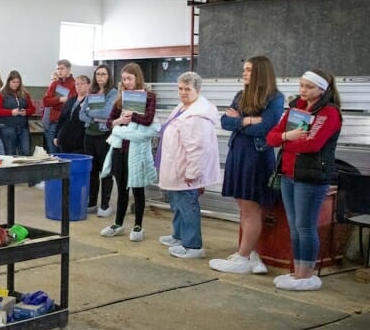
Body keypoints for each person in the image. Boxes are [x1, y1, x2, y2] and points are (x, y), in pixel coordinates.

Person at [264, 69, 343, 291]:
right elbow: (271, 137)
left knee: (306, 226)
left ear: (322, 89)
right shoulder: (295, 108)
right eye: (301, 85)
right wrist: (287, 137)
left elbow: (312, 144)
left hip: (311, 176)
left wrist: (284, 141)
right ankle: (297, 272)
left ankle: (306, 274)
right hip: (289, 174)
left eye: (309, 87)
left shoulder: (329, 112)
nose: (303, 90)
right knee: (294, 226)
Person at [208, 56, 284, 275]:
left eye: (249, 69)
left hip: (257, 156)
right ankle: (250, 254)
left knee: (251, 209)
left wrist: (240, 121)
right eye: (244, 69)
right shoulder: (241, 95)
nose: (244, 73)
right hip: (238, 153)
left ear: (260, 72)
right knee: (243, 207)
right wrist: (248, 120)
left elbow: (265, 128)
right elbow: (225, 121)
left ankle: (242, 258)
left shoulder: (275, 98)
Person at [157, 72, 222, 259]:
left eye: (188, 89)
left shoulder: (197, 116)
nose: (183, 92)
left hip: (186, 170)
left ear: (197, 90)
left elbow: (197, 148)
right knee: (177, 203)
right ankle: (179, 236)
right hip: (176, 167)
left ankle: (193, 245)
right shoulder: (183, 108)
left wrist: (193, 173)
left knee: (187, 205)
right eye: (180, 88)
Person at [99, 63, 158, 242]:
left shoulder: (149, 96)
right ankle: (118, 223)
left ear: (137, 78)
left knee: (138, 187)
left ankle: (138, 225)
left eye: (130, 79)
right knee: (122, 187)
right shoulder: (120, 99)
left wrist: (131, 116)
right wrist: (119, 121)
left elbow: (148, 120)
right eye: (124, 79)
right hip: (120, 149)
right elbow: (109, 123)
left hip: (137, 151)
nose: (127, 82)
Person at [80, 64, 117, 217]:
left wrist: (91, 114)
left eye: (103, 74)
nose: (100, 77)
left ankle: (105, 205)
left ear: (109, 76)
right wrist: (95, 116)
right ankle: (92, 202)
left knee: (105, 171)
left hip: (104, 136)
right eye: (98, 74)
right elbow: (81, 114)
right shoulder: (91, 92)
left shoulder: (113, 93)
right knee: (92, 171)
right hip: (89, 135)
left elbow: (107, 113)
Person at [0, 70, 36, 156]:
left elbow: (32, 109)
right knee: (10, 154)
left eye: (18, 82)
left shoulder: (25, 94)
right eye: (13, 82)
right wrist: (11, 112)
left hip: (23, 128)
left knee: (26, 152)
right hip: (7, 128)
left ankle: (24, 169)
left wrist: (26, 112)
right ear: (8, 82)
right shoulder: (1, 93)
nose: (16, 84)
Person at [42, 59, 76, 153]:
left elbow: (70, 104)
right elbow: (46, 102)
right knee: (52, 152)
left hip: (66, 123)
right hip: (53, 122)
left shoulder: (74, 84)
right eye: (58, 69)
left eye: (62, 68)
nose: (59, 71)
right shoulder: (54, 84)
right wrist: (59, 99)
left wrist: (54, 103)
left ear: (68, 69)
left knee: (64, 151)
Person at [54, 74, 90, 154]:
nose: (79, 86)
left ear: (88, 85)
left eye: (82, 84)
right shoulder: (70, 100)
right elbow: (61, 119)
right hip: (65, 139)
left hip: (80, 141)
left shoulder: (90, 101)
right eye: (77, 84)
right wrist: (56, 136)